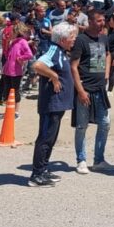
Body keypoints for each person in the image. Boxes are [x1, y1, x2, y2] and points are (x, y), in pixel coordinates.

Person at [29, 22, 78, 188]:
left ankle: (43, 169)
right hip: (51, 104)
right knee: (45, 138)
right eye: (72, 37)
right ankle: (36, 174)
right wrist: (54, 76)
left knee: (51, 138)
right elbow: (37, 65)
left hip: (59, 105)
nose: (74, 40)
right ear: (63, 39)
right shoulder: (53, 50)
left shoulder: (61, 52)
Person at [70, 10, 112, 174]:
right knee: (82, 126)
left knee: (105, 123)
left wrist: (107, 73)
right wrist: (80, 90)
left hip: (100, 89)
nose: (103, 23)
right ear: (91, 21)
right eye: (99, 20)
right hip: (85, 89)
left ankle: (99, 160)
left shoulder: (104, 38)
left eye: (103, 20)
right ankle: (81, 160)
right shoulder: (81, 40)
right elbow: (73, 66)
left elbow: (107, 54)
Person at [2, 22, 34, 118]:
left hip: (16, 71)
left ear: (17, 32)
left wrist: (20, 58)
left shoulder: (23, 42)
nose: (10, 33)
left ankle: (16, 112)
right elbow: (7, 54)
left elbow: (29, 54)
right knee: (7, 90)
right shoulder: (13, 42)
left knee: (15, 91)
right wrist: (7, 43)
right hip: (7, 70)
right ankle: (9, 110)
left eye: (12, 32)